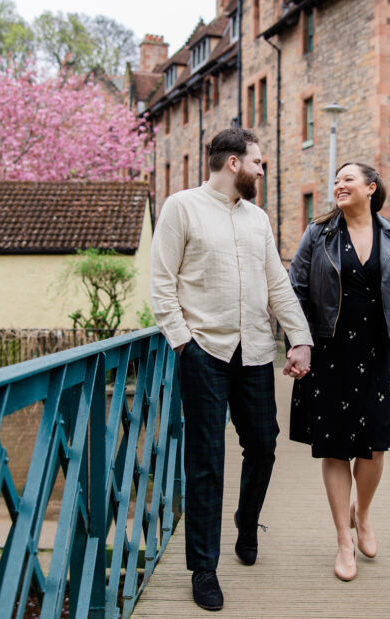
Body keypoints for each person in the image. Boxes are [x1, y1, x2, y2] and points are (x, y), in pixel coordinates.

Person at [150, 127, 313, 611]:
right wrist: (184, 344)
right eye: (258, 162)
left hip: (256, 350)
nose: (263, 169)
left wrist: (299, 338)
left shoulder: (258, 218)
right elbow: (161, 283)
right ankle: (204, 568)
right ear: (234, 163)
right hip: (205, 351)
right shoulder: (181, 207)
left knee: (263, 444)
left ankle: (246, 520)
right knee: (205, 460)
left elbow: (277, 284)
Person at [288, 162, 390, 581]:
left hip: (380, 351)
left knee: (375, 447)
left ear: (370, 188)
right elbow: (296, 290)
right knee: (334, 447)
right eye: (337, 180)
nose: (339, 185)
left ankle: (363, 515)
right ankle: (344, 539)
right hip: (328, 350)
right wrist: (298, 341)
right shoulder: (319, 233)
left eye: (348, 179)